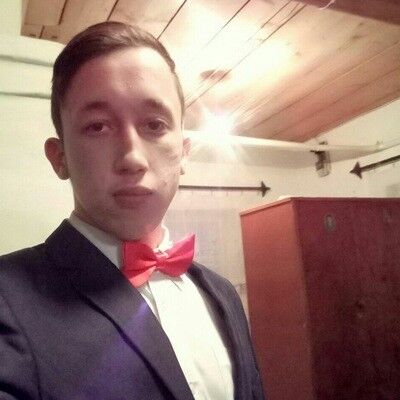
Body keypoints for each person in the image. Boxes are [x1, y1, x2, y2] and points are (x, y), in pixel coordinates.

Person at [0, 22, 264, 400]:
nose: (133, 158)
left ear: (183, 152)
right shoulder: (7, 297)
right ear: (60, 158)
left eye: (155, 125)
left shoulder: (223, 294)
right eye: (97, 127)